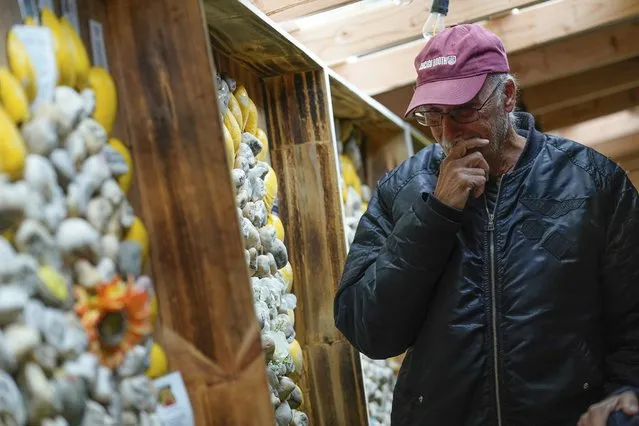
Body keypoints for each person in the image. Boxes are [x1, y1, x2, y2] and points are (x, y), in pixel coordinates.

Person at [333, 23, 639, 426]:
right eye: (433, 115)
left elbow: (632, 313)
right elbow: (370, 331)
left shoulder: (592, 182)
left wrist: (626, 388)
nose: (447, 133)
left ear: (508, 96)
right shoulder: (402, 190)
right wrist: (435, 214)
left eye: (462, 110)